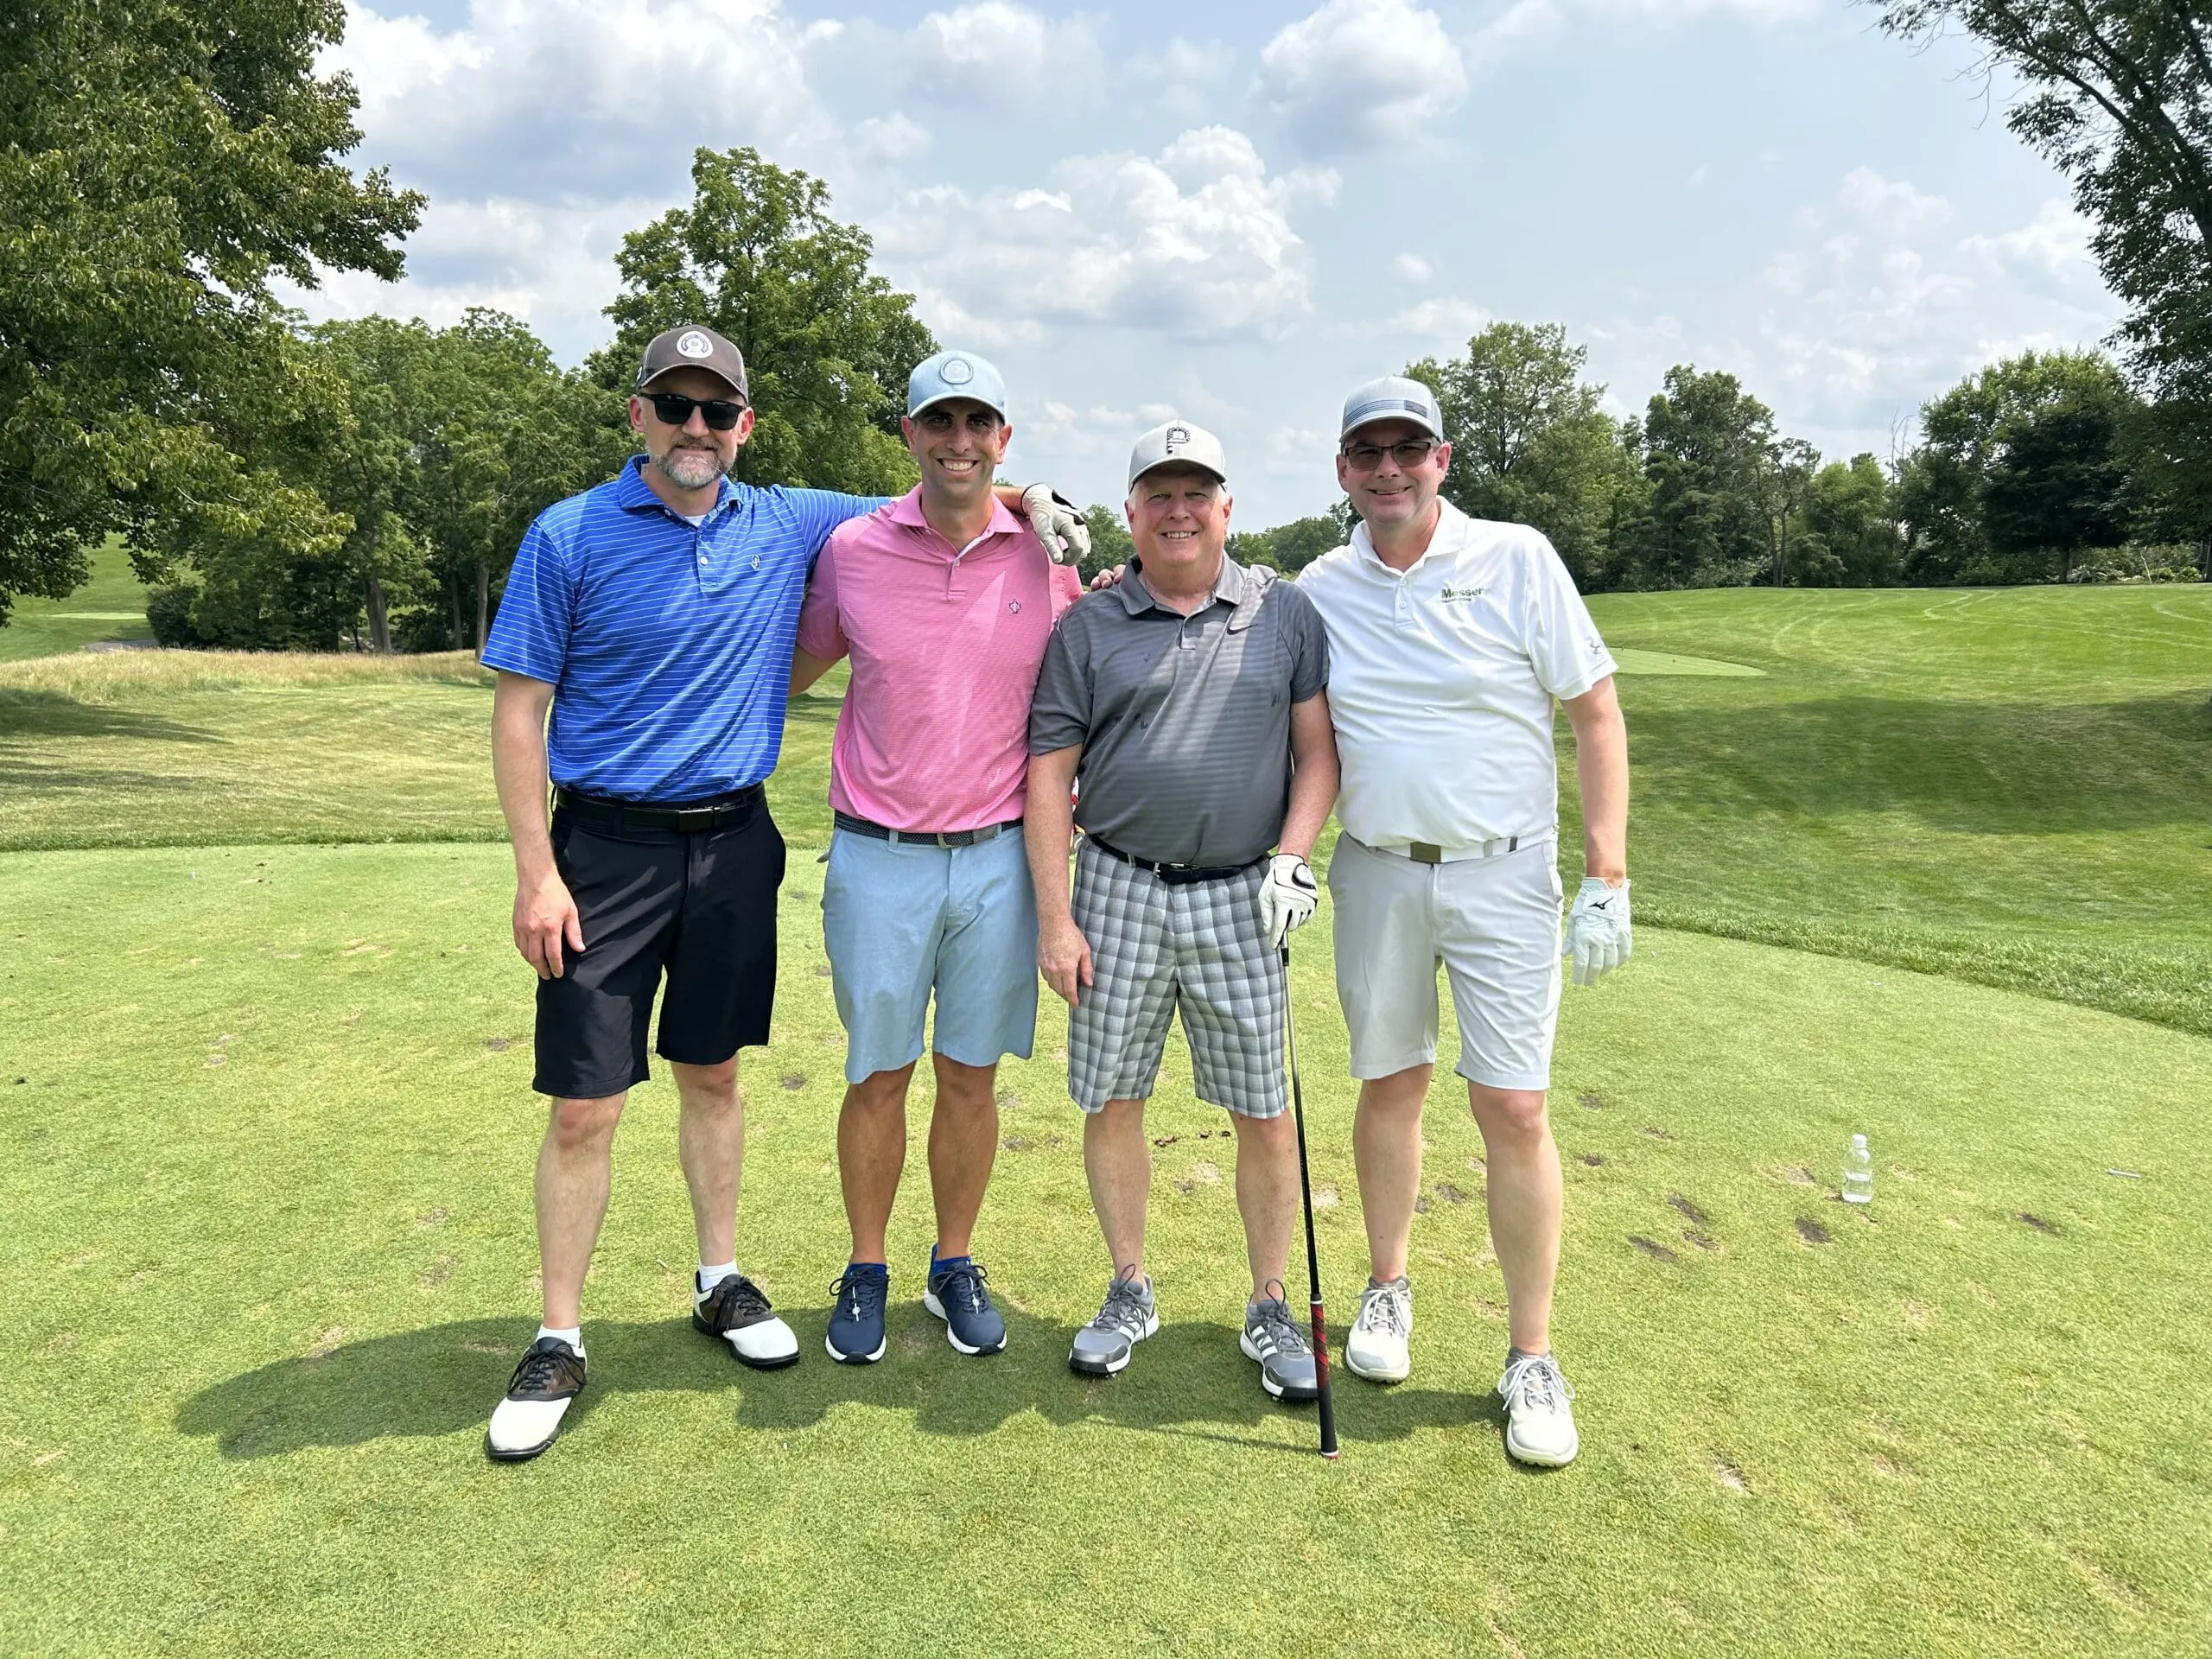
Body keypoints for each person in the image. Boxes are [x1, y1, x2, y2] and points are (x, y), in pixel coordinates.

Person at [479, 325, 1088, 1461]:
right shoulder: (569, 534)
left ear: (746, 426)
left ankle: (721, 1281)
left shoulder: (796, 519)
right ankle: (560, 1334)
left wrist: (1029, 492)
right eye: (676, 405)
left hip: (735, 842)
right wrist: (538, 872)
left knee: (712, 1074)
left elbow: (944, 483)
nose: (696, 429)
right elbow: (519, 711)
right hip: (604, 846)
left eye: (718, 411)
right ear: (639, 415)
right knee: (585, 1104)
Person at [1294, 375, 1631, 1468]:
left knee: (1516, 1108)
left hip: (1506, 875)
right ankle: (1386, 1290)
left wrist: (1607, 873)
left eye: (1410, 448)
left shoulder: (1516, 556)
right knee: (1390, 1082)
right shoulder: (1320, 586)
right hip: (1379, 869)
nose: (1388, 468)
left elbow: (1594, 713)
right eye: (1367, 451)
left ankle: (1529, 1353)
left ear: (1442, 458)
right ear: (1342, 469)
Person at [1025, 420, 1340, 1401]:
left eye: (1195, 491)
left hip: (1244, 893)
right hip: (1115, 885)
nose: (1177, 509)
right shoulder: (1087, 624)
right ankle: (1128, 1288)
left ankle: (1270, 1300)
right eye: (1157, 492)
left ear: (1226, 507)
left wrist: (1293, 856)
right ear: (1130, 510)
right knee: (1115, 1097)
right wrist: (1054, 918)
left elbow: (1319, 755)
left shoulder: (1283, 615)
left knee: (1264, 1107)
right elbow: (1048, 777)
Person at [789, 350, 1084, 1363]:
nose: (958, 441)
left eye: (978, 424)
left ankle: (952, 1261)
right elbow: (789, 668)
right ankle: (865, 1267)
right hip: (879, 856)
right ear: (910, 434)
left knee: (970, 1077)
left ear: (1004, 437)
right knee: (877, 1074)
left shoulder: (1046, 556)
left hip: (1002, 857)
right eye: (938, 423)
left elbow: (1104, 674)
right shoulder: (855, 548)